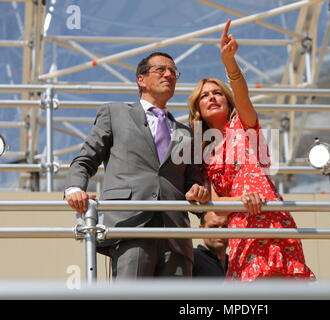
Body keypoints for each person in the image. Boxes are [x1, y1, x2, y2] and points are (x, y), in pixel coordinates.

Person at [188, 20, 315, 281]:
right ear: (197, 110)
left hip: (271, 215)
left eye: (217, 93)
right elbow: (218, 208)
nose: (212, 97)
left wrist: (229, 63)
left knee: (285, 283)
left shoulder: (243, 125)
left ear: (226, 99)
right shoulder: (204, 155)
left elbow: (242, 95)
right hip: (241, 226)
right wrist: (240, 200)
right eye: (204, 96)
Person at [65, 52, 209, 279]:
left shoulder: (187, 133)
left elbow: (193, 180)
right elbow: (86, 159)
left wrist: (197, 189)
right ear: (140, 79)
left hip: (176, 234)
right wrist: (74, 189)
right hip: (130, 225)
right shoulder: (115, 113)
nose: (169, 75)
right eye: (161, 70)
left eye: (173, 71)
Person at [192, 211, 228, 277]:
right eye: (214, 226)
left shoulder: (236, 262)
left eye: (225, 226)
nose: (221, 231)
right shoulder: (192, 258)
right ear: (201, 230)